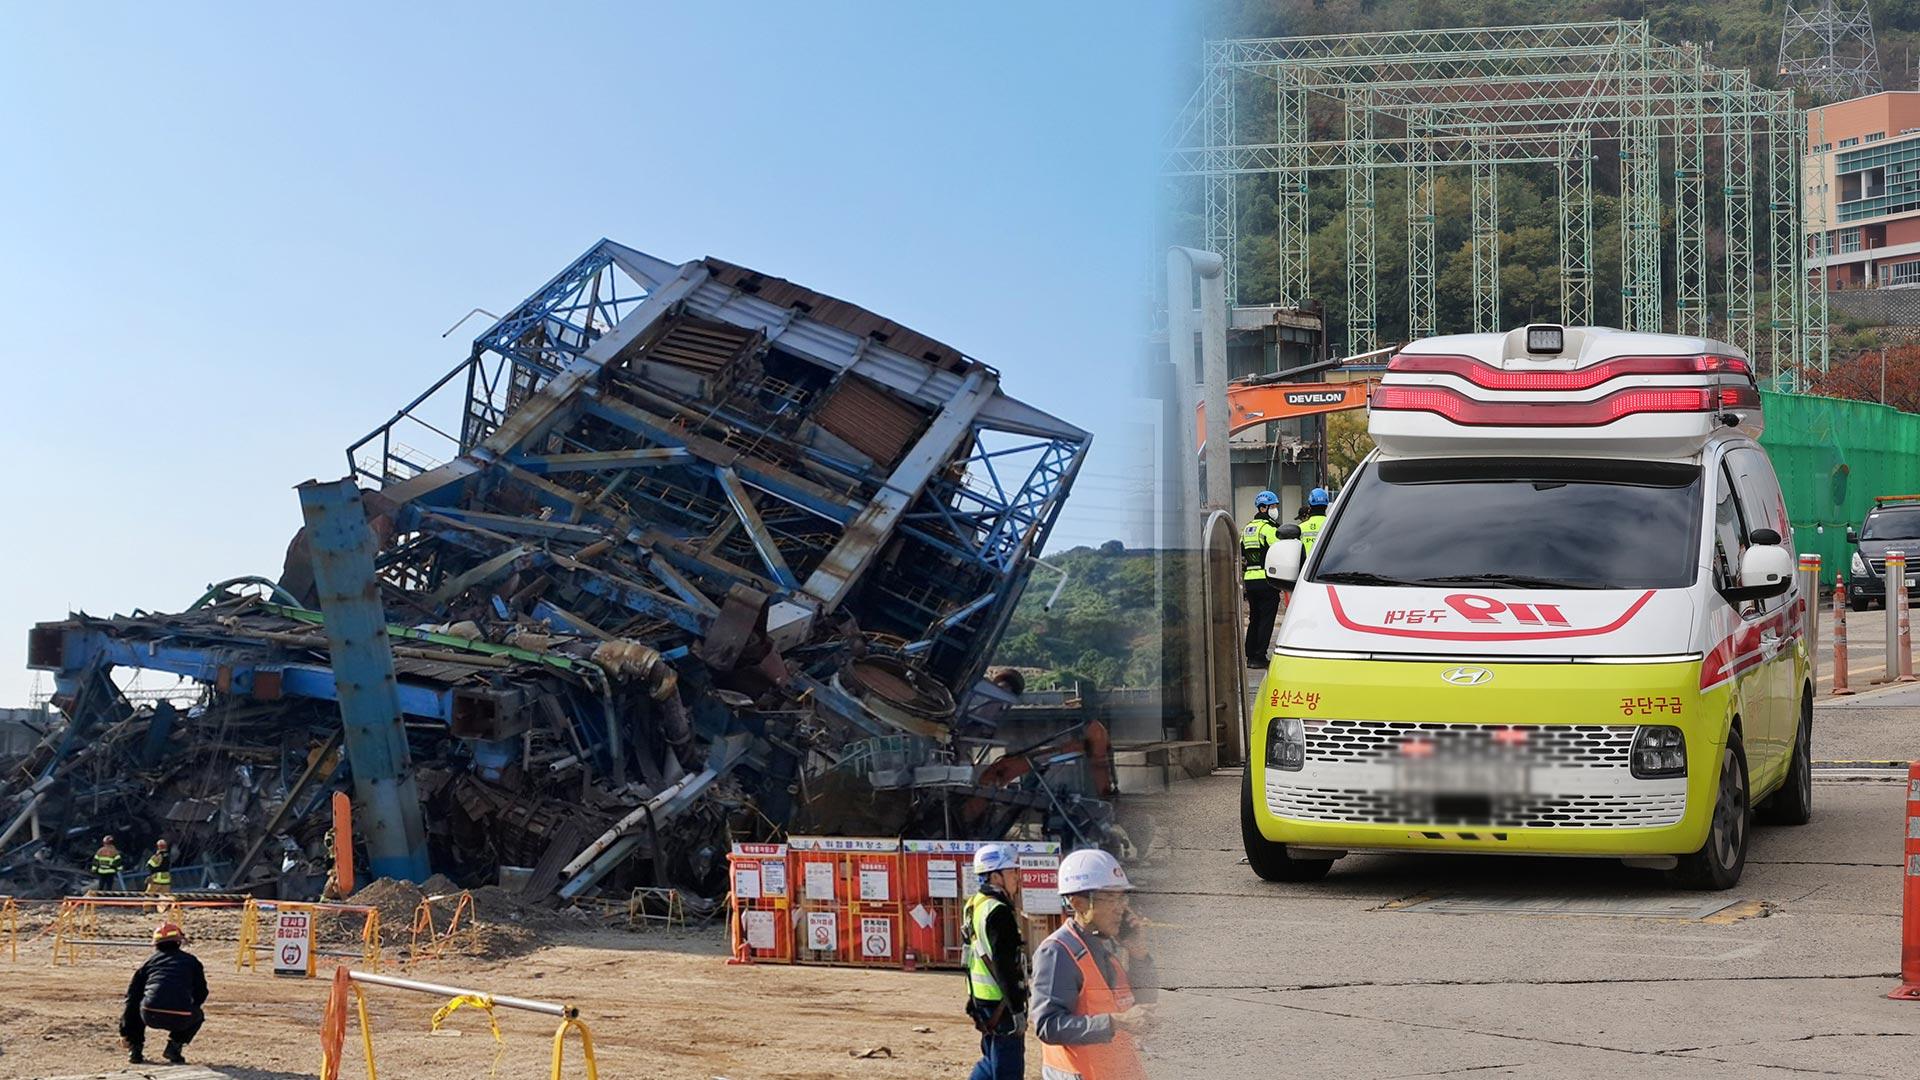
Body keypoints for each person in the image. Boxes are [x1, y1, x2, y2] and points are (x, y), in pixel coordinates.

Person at [1031, 849, 1154, 1080]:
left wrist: (1139, 955)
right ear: (1078, 903)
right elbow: (1047, 1025)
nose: (1120, 907)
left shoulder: (1108, 945)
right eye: (1110, 898)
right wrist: (1117, 1022)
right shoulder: (1058, 952)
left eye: (1122, 898)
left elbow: (1141, 1004)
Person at [963, 843, 1030, 1080]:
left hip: (983, 999)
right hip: (1001, 1003)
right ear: (995, 876)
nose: (1017, 878)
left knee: (991, 1060)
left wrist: (972, 997)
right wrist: (1016, 1009)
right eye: (1012, 872)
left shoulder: (974, 905)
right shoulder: (998, 911)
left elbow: (970, 956)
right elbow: (1004, 966)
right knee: (1007, 1068)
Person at [120, 923, 209, 1065]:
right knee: (198, 1015)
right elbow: (202, 992)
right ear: (179, 941)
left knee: (137, 1006)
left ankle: (135, 1051)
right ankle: (174, 1047)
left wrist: (125, 1032)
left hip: (150, 1013)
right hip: (182, 1017)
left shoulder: (148, 963)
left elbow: (131, 997)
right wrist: (188, 1006)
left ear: (156, 944)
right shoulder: (192, 961)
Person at [1241, 490, 1284, 667]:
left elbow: (1242, 552)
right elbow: (1280, 550)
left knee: (1254, 618)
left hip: (1250, 580)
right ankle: (1259, 656)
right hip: (1266, 580)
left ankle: (1250, 655)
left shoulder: (1247, 529)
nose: (1275, 510)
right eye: (1273, 506)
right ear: (1263, 508)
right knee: (1266, 620)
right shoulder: (1268, 529)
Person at [1300, 487, 1332, 553]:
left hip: (1306, 563)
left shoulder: (1300, 528)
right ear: (1326, 506)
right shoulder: (1333, 525)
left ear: (1309, 505)